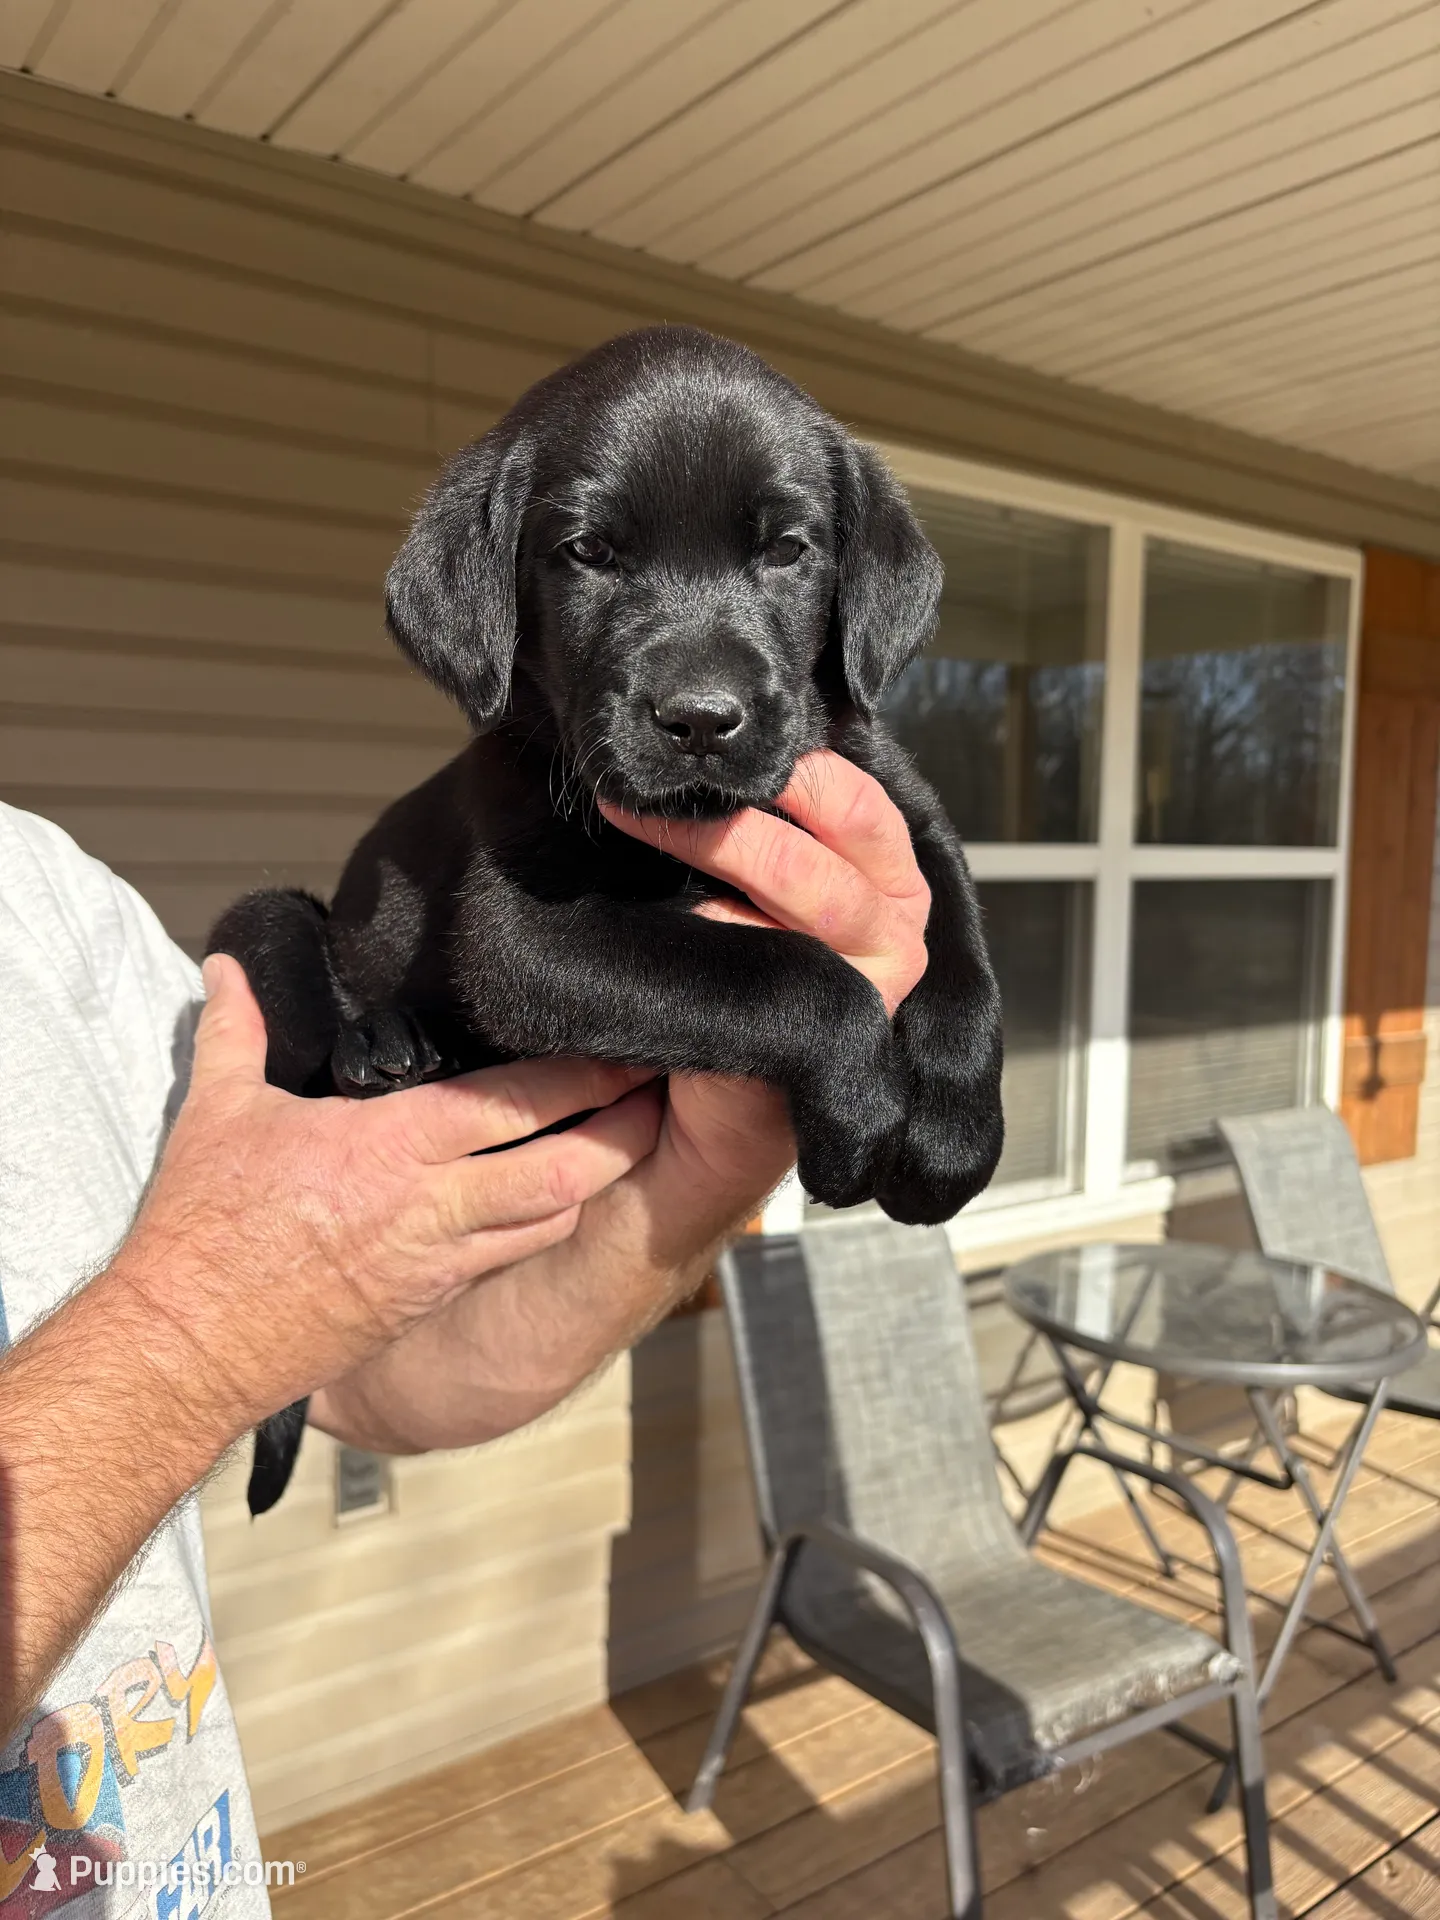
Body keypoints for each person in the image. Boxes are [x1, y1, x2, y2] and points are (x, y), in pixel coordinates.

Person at [0, 750, 930, 1912]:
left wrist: (705, 1173)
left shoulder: (43, 905)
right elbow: (233, 1307)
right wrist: (194, 1339)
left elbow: (375, 1374)